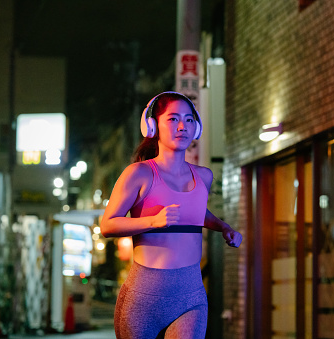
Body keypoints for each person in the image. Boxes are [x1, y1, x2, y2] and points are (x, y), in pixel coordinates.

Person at [100, 91, 242, 339]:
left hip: (191, 295)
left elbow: (196, 212)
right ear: (152, 125)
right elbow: (107, 225)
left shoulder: (204, 176)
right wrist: (153, 222)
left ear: (196, 128)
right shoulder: (139, 174)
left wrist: (223, 227)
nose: (182, 126)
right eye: (173, 119)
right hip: (144, 296)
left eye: (189, 120)